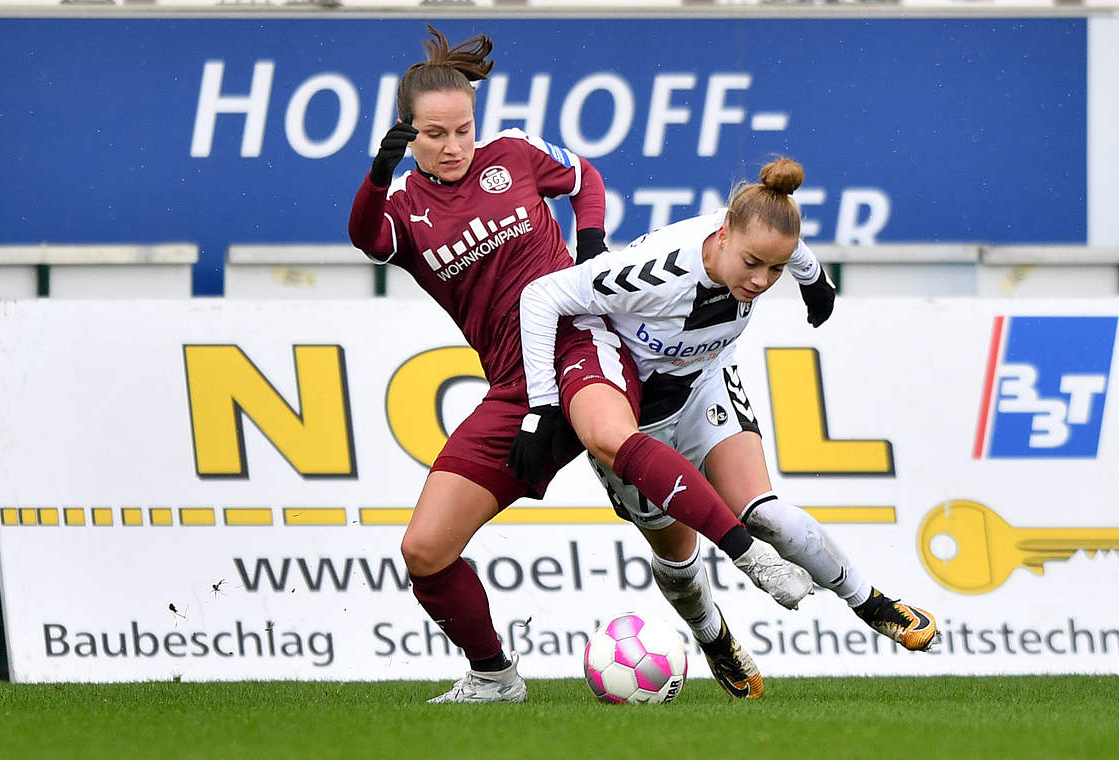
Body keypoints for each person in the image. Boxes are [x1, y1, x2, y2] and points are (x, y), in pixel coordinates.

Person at [347, 25, 811, 704]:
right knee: (424, 551)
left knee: (607, 437)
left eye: (462, 130)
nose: (453, 147)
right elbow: (367, 238)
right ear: (406, 133)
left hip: (579, 339)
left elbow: (583, 176)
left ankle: (751, 556)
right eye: (435, 134)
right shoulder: (402, 209)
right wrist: (377, 174)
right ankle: (494, 677)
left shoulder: (514, 153)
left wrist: (590, 241)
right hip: (512, 384)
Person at [514, 157, 941, 673]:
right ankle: (714, 639)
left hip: (705, 381)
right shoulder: (651, 273)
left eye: (775, 270)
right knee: (677, 560)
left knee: (767, 513)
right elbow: (540, 297)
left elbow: (784, 244)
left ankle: (870, 603)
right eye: (753, 263)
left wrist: (812, 277)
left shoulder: (756, 231)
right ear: (722, 235)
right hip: (636, 415)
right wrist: (542, 407)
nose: (762, 281)